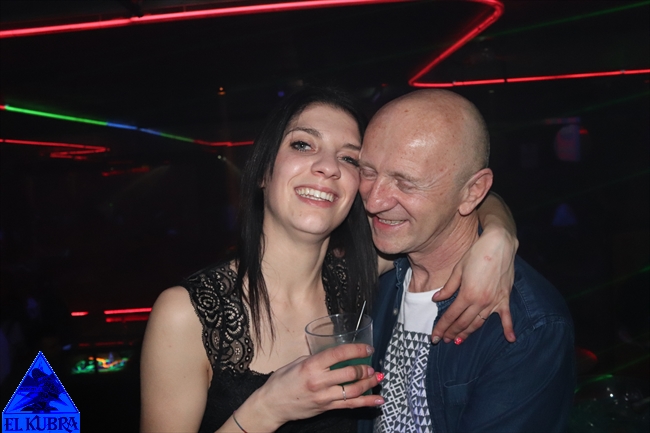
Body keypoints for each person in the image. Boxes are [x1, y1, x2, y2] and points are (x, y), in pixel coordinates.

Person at [140, 86, 518, 433]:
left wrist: (499, 236)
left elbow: (466, 196)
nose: (328, 166)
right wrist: (268, 408)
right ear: (263, 171)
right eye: (303, 144)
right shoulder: (186, 315)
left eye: (349, 158)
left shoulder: (371, 271)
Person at [357, 89, 575, 433]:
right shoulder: (380, 272)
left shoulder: (527, 327)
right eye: (367, 172)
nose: (374, 201)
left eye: (405, 182)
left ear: (473, 192)